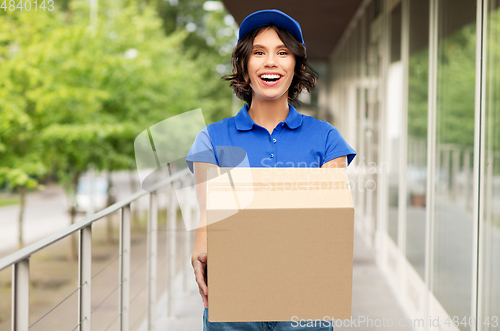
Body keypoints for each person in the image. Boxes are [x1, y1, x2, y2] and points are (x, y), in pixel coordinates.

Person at [185, 9, 356, 331]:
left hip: (304, 294)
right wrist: (200, 251)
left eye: (283, 52)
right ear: (243, 66)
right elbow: (208, 215)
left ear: (296, 66)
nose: (270, 62)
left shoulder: (326, 138)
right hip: (233, 288)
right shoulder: (212, 138)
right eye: (258, 53)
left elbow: (330, 220)